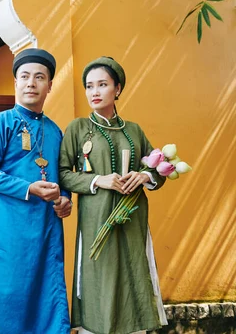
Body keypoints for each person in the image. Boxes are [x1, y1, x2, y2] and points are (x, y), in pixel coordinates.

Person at [59, 57, 167, 334]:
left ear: (117, 89)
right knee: (101, 277)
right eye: (89, 86)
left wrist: (144, 176)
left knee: (133, 272)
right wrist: (98, 180)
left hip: (132, 219)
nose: (94, 92)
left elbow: (158, 170)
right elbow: (63, 174)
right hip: (96, 220)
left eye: (102, 84)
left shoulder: (134, 131)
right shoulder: (78, 128)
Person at [0, 48, 72, 334]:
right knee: (8, 292)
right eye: (25, 76)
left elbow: (62, 175)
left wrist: (66, 199)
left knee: (46, 293)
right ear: (15, 82)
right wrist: (28, 187)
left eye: (39, 77)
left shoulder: (55, 132)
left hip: (46, 228)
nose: (31, 83)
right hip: (8, 227)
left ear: (49, 86)